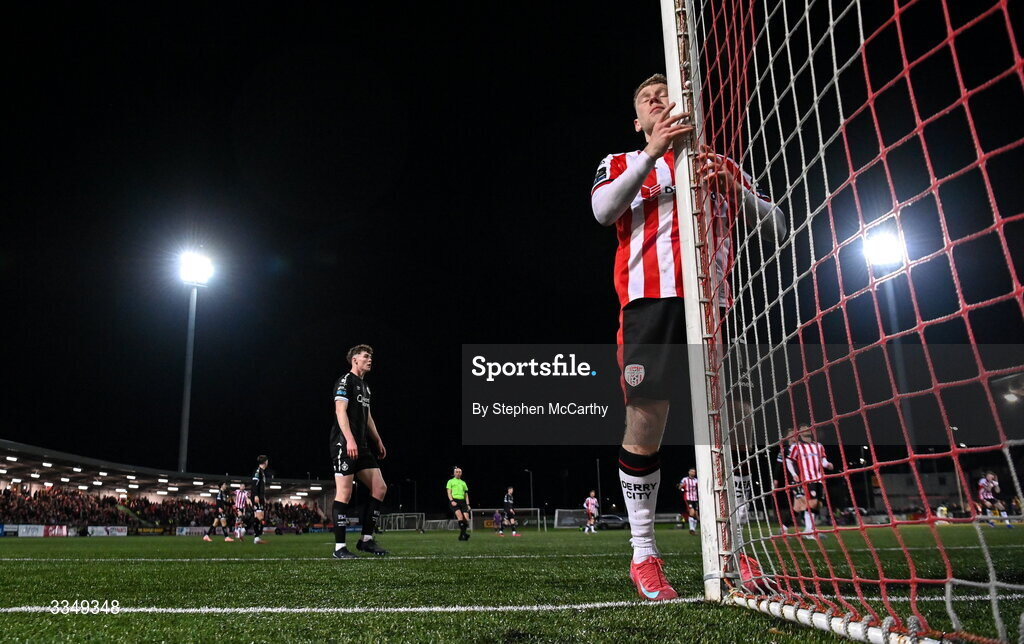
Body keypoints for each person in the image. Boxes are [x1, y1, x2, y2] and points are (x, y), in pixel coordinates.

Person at [591, 73, 786, 601]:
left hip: (713, 306)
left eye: (664, 96)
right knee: (646, 421)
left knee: (724, 429)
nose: (658, 103)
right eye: (647, 102)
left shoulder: (721, 164)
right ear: (639, 121)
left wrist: (735, 193)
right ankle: (644, 555)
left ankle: (735, 549)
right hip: (649, 306)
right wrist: (652, 153)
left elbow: (779, 226)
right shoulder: (620, 162)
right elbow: (603, 211)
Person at [330, 344, 389, 559]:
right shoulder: (346, 381)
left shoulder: (365, 387)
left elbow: (368, 416)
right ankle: (339, 548)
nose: (370, 359)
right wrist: (350, 440)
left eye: (370, 357)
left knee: (379, 487)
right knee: (344, 493)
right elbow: (340, 411)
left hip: (362, 446)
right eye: (366, 356)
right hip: (344, 444)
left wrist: (378, 439)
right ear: (355, 359)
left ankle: (366, 540)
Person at [786, 424, 834, 539]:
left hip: (819, 479)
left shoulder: (819, 446)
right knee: (810, 503)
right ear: (800, 433)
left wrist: (828, 465)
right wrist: (794, 474)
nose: (805, 431)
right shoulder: (796, 447)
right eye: (802, 429)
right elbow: (789, 461)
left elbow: (823, 462)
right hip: (806, 479)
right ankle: (809, 531)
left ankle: (809, 529)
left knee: (818, 504)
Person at [446, 467, 471, 540]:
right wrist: (451, 501)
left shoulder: (463, 482)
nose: (458, 473)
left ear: (461, 473)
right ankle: (463, 535)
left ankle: (462, 535)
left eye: (459, 472)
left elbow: (466, 495)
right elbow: (449, 492)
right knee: (460, 517)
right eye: (456, 472)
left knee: (466, 518)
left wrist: (468, 504)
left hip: (463, 502)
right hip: (454, 501)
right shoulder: (450, 481)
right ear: (454, 473)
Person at [251, 455, 270, 544]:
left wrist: (263, 497)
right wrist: (255, 496)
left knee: (261, 516)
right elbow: (254, 484)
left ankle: (257, 537)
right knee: (258, 517)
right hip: (257, 497)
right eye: (267, 461)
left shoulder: (262, 472)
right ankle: (255, 537)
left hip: (260, 497)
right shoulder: (258, 471)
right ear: (265, 462)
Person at [678, 469, 699, 535]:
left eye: (694, 472)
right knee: (692, 512)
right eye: (692, 471)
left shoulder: (696, 480)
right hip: (688, 498)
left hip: (695, 498)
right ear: (689, 472)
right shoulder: (685, 479)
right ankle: (691, 529)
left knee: (696, 514)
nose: (693, 473)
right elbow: (680, 487)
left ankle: (693, 530)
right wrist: (681, 487)